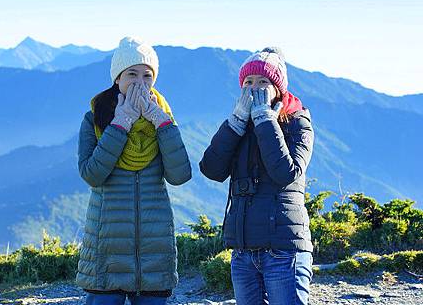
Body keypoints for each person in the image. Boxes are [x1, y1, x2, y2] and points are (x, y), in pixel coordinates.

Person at [76, 36, 192, 305]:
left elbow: (180, 175)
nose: (140, 82)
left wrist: (161, 122)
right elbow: (92, 173)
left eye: (147, 75)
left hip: (154, 251)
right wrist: (121, 122)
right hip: (107, 250)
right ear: (117, 78)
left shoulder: (162, 118)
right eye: (132, 74)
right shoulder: (95, 117)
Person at [199, 47, 315, 305]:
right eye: (248, 82)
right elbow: (211, 169)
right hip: (243, 252)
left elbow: (286, 173)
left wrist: (265, 120)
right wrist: (235, 124)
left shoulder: (297, 122)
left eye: (263, 82)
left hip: (284, 251)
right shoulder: (239, 124)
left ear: (278, 89)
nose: (254, 88)